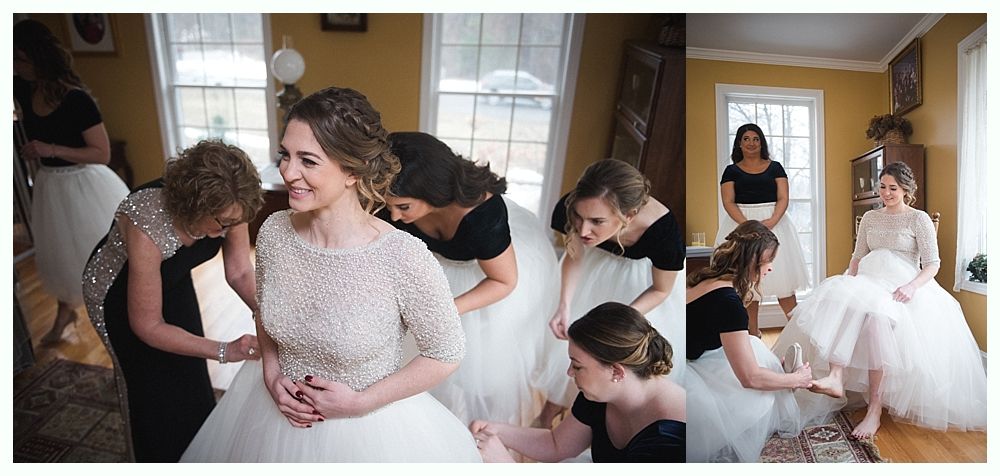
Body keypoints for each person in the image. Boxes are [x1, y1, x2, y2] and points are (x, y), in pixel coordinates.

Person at [180, 87, 481, 462]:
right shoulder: (274, 231)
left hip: (366, 434)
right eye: (285, 156)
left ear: (352, 171)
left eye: (308, 160)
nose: (288, 173)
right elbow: (265, 314)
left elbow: (446, 353)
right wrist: (272, 376)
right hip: (270, 417)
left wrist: (361, 402)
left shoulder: (401, 256)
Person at [774, 162, 987, 439]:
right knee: (842, 302)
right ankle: (836, 376)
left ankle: (874, 409)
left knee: (876, 320)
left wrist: (911, 287)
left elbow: (932, 264)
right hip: (867, 280)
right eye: (882, 187)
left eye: (893, 188)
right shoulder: (871, 218)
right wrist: (847, 284)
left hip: (900, 285)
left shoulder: (918, 218)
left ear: (907, 190)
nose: (886, 193)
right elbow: (857, 256)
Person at [82, 139, 264, 462]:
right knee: (150, 389)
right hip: (116, 289)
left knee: (190, 373)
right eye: (223, 224)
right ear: (195, 206)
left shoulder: (233, 202)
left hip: (173, 278)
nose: (228, 230)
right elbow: (148, 325)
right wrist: (225, 350)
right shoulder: (146, 221)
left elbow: (238, 271)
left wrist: (266, 312)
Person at [379, 131, 558, 427]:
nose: (394, 218)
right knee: (419, 364)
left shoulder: (482, 215)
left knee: (481, 372)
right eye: (389, 207)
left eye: (404, 207)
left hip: (485, 279)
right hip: (434, 269)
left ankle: (482, 435)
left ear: (434, 193)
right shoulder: (394, 199)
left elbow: (504, 281)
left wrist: (445, 309)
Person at [535, 159, 686, 429]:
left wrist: (619, 320)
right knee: (571, 352)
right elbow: (574, 254)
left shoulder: (664, 232)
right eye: (580, 218)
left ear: (628, 215)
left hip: (641, 291)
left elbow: (662, 289)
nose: (584, 230)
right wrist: (564, 304)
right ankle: (549, 414)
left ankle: (595, 429)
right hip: (593, 275)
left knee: (609, 363)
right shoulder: (574, 206)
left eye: (597, 222)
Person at [14, 19, 130, 345]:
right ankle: (65, 315)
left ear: (37, 57)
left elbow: (102, 152)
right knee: (60, 257)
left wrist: (49, 149)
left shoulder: (77, 100)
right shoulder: (21, 88)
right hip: (50, 187)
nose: (14, 66)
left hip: (84, 186)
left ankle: (117, 325)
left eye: (19, 59)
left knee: (104, 259)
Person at [470, 302, 684, 463]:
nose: (569, 372)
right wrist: (496, 430)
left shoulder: (670, 438)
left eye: (578, 366)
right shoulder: (601, 393)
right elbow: (556, 444)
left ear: (617, 371)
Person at [686, 220, 812, 462]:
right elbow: (749, 378)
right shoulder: (728, 303)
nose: (771, 268)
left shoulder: (701, 279)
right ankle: (783, 378)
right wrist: (795, 379)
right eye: (769, 261)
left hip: (690, 354)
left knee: (756, 349)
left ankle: (778, 373)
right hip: (690, 377)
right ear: (754, 261)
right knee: (763, 396)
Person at [716, 123, 810, 336]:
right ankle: (753, 335)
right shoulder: (730, 171)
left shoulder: (775, 167)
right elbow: (728, 201)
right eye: (746, 139)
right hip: (741, 225)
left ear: (762, 142)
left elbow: (783, 197)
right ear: (739, 143)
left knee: (783, 281)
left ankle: (800, 333)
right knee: (747, 284)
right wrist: (747, 226)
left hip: (775, 224)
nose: (751, 143)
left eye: (755, 139)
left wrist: (772, 221)